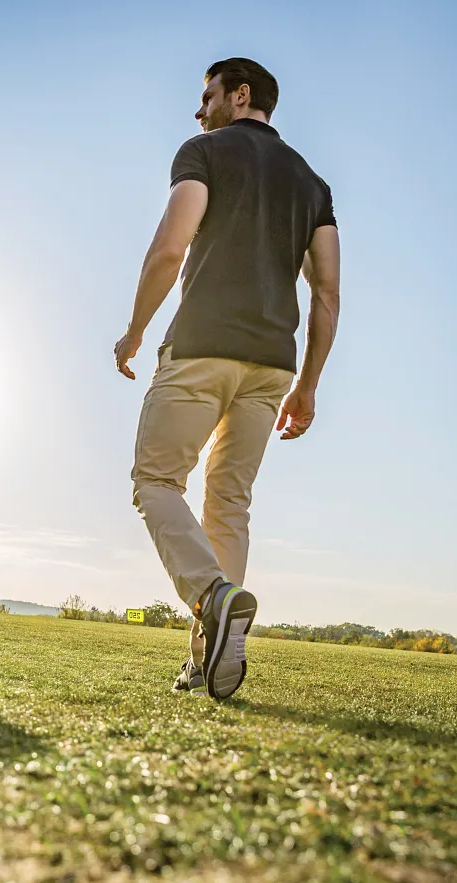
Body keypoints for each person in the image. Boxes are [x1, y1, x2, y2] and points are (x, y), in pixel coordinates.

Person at [114, 57, 341, 700]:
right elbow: (326, 293)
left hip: (200, 351)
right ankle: (208, 655)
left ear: (240, 96)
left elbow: (169, 247)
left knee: (156, 482)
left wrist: (133, 330)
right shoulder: (314, 184)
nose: (199, 108)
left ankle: (213, 596)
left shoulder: (204, 151)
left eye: (207, 94)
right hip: (274, 366)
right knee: (230, 504)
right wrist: (309, 386)